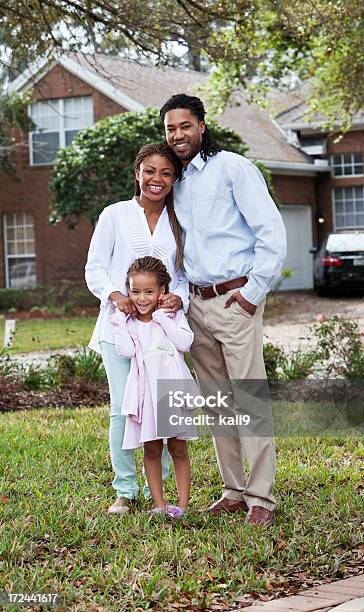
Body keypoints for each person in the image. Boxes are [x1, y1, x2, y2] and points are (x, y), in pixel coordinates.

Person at [160, 93, 287, 528]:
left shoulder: (234, 168)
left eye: (184, 126)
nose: (177, 135)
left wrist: (253, 293)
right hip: (196, 303)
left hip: (236, 300)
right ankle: (234, 489)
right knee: (217, 402)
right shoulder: (177, 181)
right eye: (170, 129)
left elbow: (271, 231)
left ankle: (261, 498)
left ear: (201, 124)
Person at [85, 143, 188, 515]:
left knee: (160, 411)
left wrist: (178, 299)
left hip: (161, 334)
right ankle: (125, 491)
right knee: (124, 410)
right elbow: (95, 267)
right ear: (137, 173)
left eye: (165, 173)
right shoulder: (114, 215)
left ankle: (158, 496)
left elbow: (182, 276)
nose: (156, 179)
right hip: (120, 331)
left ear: (175, 179)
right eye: (149, 171)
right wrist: (114, 294)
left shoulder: (179, 222)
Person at [110, 256, 196, 517]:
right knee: (152, 449)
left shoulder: (173, 316)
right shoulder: (131, 324)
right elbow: (124, 350)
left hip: (171, 390)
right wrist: (119, 321)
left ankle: (182, 506)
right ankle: (159, 506)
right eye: (135, 291)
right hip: (147, 394)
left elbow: (184, 343)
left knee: (178, 448)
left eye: (149, 291)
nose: (142, 298)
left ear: (162, 292)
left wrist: (163, 318)